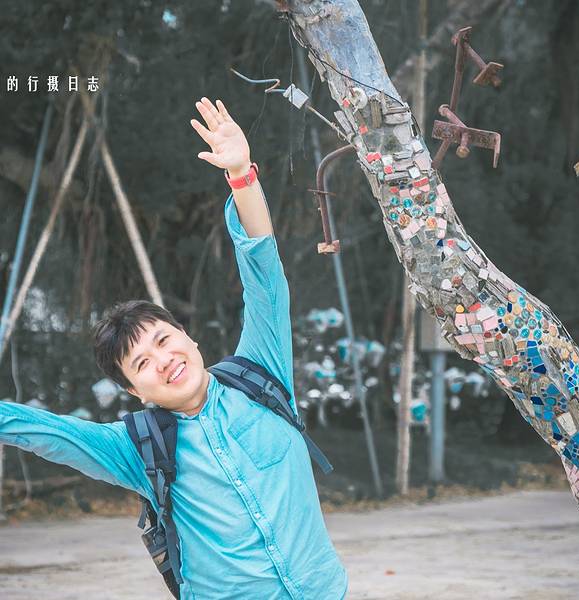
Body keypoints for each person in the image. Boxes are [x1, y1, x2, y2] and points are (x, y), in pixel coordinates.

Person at [0, 98, 348, 599]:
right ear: (135, 391)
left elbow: (264, 275)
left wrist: (241, 177)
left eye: (164, 340)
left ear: (189, 338)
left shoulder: (261, 373)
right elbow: (44, 432)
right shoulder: (137, 449)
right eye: (142, 363)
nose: (163, 361)